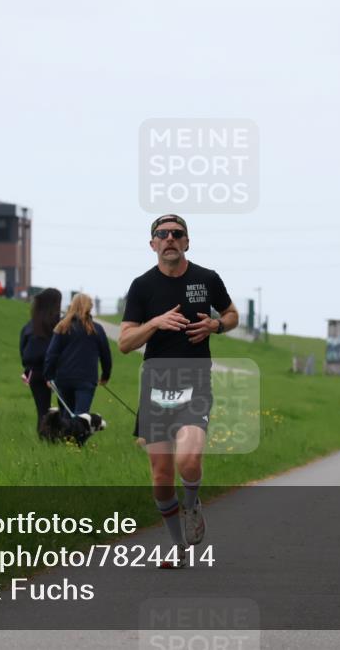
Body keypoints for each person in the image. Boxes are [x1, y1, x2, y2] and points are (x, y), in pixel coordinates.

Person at [119, 214, 238, 568]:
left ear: (187, 242)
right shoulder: (142, 286)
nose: (170, 238)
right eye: (162, 234)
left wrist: (216, 325)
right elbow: (125, 342)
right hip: (156, 386)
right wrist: (154, 323)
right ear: (153, 244)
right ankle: (177, 547)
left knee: (188, 459)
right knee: (160, 475)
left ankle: (193, 503)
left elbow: (232, 314)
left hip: (195, 381)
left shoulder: (207, 278)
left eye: (177, 234)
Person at [44, 293, 112, 417]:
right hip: (86, 379)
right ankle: (75, 436)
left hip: (63, 379)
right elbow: (106, 355)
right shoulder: (97, 329)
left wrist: (49, 376)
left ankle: (66, 436)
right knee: (81, 417)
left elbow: (51, 354)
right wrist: (105, 375)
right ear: (90, 307)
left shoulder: (62, 327)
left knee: (66, 415)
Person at [20, 288, 62, 429]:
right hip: (59, 371)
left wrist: (27, 369)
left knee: (42, 411)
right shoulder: (61, 324)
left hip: (35, 372)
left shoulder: (30, 326)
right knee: (65, 409)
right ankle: (65, 437)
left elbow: (23, 349)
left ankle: (45, 439)